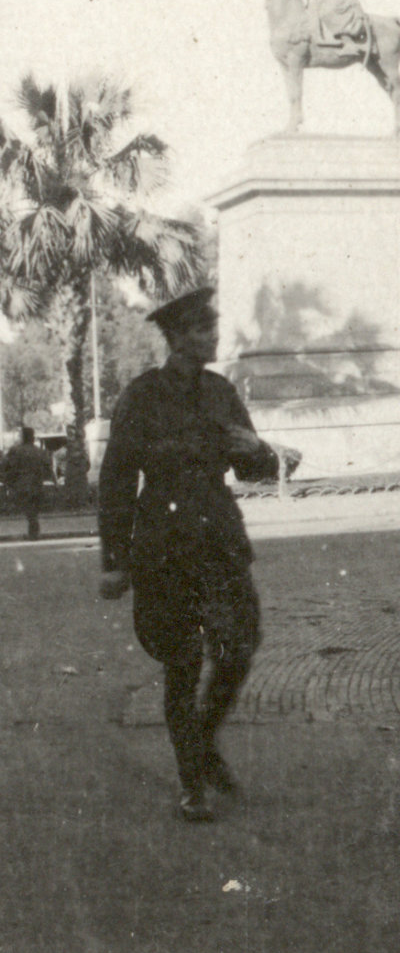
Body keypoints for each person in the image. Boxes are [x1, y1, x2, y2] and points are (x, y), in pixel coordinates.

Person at [97, 287, 278, 823]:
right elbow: (116, 480)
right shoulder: (142, 395)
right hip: (164, 539)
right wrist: (115, 561)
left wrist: (259, 451)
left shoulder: (221, 391)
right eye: (202, 328)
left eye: (213, 326)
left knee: (240, 645)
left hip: (219, 535)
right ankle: (192, 783)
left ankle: (200, 740)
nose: (213, 335)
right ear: (176, 337)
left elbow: (255, 467)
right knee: (182, 663)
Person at [2, 426, 51, 540]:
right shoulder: (40, 451)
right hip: (37, 485)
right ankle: (34, 531)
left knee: (27, 509)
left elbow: (7, 466)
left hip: (21, 485)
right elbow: (47, 468)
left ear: (23, 437)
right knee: (33, 510)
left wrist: (8, 480)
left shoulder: (15, 450)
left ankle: (33, 531)